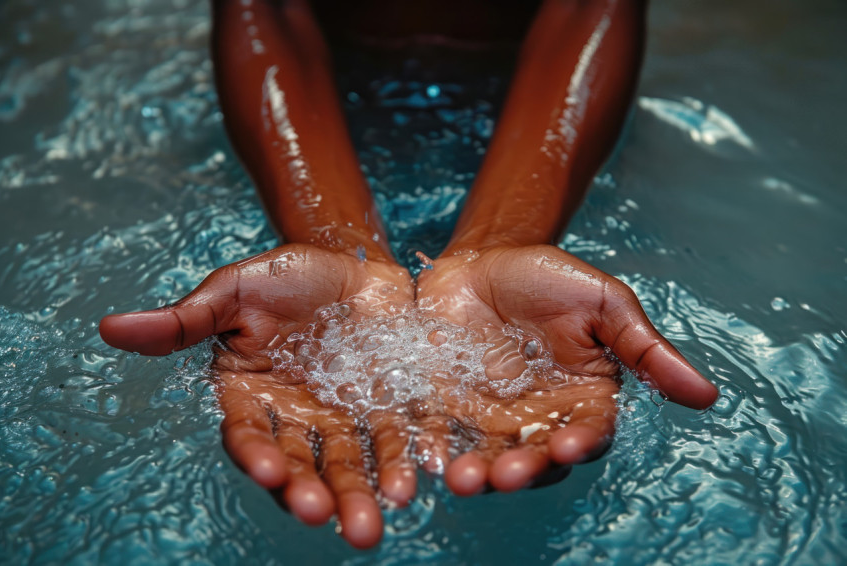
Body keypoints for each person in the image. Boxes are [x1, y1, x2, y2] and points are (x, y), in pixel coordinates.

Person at [99, 0, 718, 549]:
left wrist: (503, 238)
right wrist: (333, 239)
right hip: (309, 77)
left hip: (552, 82)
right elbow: (271, 11)